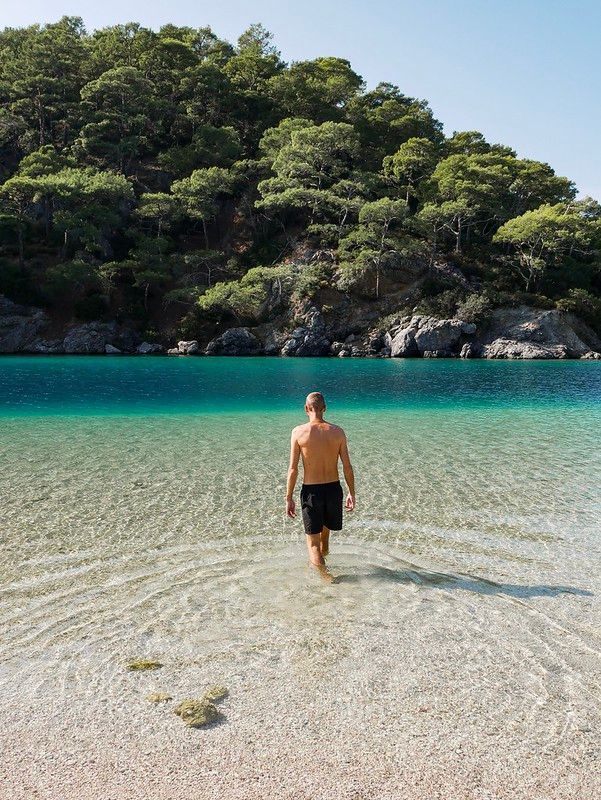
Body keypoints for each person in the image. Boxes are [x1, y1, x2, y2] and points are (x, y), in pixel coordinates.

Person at [286, 391, 355, 576]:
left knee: (313, 545)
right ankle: (324, 567)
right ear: (324, 409)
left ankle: (326, 578)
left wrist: (289, 497)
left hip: (312, 492)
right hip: (333, 490)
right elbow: (347, 466)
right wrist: (351, 493)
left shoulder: (298, 432)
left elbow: (293, 469)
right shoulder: (338, 432)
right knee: (324, 540)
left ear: (306, 408)